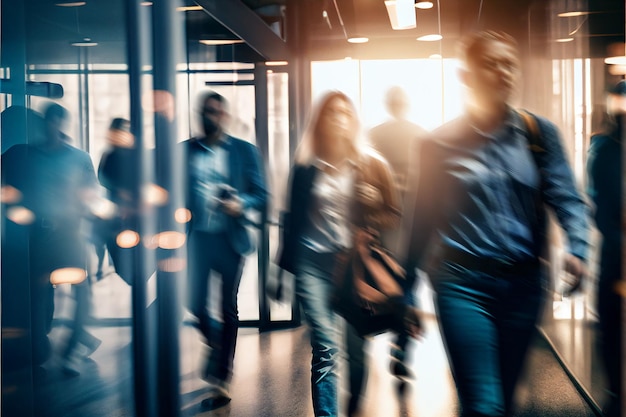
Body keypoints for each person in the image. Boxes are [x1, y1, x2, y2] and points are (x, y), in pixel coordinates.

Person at [404, 31, 590, 417]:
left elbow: (567, 198)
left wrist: (578, 248)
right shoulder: (437, 144)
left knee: (503, 401)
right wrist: (405, 290)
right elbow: (420, 223)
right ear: (468, 74)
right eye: (492, 63)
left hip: (523, 288)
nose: (504, 71)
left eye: (510, 64)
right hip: (461, 285)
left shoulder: (539, 135)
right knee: (483, 404)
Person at [278, 90, 414, 416]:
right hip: (312, 263)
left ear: (353, 120)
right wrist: (281, 272)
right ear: (321, 121)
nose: (338, 118)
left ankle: (354, 405)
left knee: (356, 348)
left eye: (344, 112)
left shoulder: (370, 165)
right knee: (325, 347)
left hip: (353, 267)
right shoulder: (305, 169)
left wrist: (372, 207)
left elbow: (393, 215)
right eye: (331, 112)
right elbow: (292, 221)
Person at [1, 102, 102, 377]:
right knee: (40, 296)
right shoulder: (25, 155)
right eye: (47, 122)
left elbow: (92, 193)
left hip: (70, 234)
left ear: (61, 124)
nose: (51, 127)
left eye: (55, 122)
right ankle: (44, 347)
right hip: (41, 235)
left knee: (80, 294)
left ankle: (71, 351)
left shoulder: (78, 158)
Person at [183, 91, 268, 408]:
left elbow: (261, 194)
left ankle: (222, 375)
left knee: (228, 307)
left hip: (231, 239)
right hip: (198, 238)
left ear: (226, 117)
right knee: (193, 302)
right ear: (199, 114)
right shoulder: (185, 151)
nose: (212, 117)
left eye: (217, 113)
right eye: (206, 112)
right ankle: (216, 344)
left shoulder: (244, 152)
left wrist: (239, 204)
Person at [369, 85, 428, 381]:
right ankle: (402, 347)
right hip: (412, 222)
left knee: (388, 281)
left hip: (386, 223)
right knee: (408, 283)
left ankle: (390, 337)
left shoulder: (375, 135)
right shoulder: (420, 134)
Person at [586, 80, 625, 417]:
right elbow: (600, 207)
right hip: (615, 255)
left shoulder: (602, 149)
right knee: (610, 325)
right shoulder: (603, 150)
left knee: (610, 325)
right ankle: (614, 390)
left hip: (615, 253)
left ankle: (615, 392)